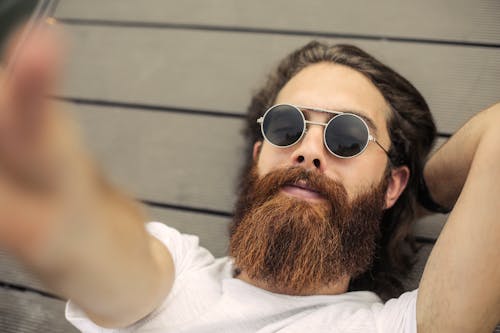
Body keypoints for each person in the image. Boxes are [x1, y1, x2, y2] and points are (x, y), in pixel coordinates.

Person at [0, 21, 499, 333]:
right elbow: (118, 267)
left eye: (347, 136)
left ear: (390, 184)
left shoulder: (398, 326)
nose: (307, 151)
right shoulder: (176, 278)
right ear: (259, 155)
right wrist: (72, 220)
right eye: (288, 127)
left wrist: (420, 195)